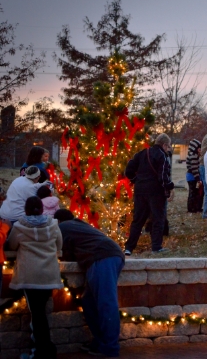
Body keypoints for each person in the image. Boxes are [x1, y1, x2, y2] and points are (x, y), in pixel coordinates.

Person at [53, 209, 125, 357]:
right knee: (88, 301)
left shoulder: (63, 228)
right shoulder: (79, 225)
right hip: (109, 254)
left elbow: (63, 251)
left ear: (58, 221)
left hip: (102, 257)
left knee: (106, 302)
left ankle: (110, 347)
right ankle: (100, 341)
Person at [7, 196, 62, 359]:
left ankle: (41, 352)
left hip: (30, 276)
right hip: (49, 275)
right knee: (40, 314)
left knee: (37, 315)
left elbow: (11, 245)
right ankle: (45, 349)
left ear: (26, 210)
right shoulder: (53, 225)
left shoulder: (19, 226)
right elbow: (60, 245)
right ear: (42, 208)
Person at [123, 133, 175, 255]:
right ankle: (156, 247)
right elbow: (163, 176)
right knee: (158, 218)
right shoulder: (162, 155)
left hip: (140, 190)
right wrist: (170, 187)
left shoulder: (142, 153)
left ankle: (129, 248)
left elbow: (128, 170)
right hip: (155, 192)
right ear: (164, 144)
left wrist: (135, 180)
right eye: (168, 147)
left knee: (138, 219)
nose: (168, 149)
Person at [186, 138, 204, 213]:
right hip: (192, 177)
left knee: (196, 193)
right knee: (193, 193)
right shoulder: (193, 156)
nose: (200, 149)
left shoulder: (194, 155)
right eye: (199, 148)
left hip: (193, 176)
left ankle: (196, 207)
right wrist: (198, 179)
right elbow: (194, 169)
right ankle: (191, 208)